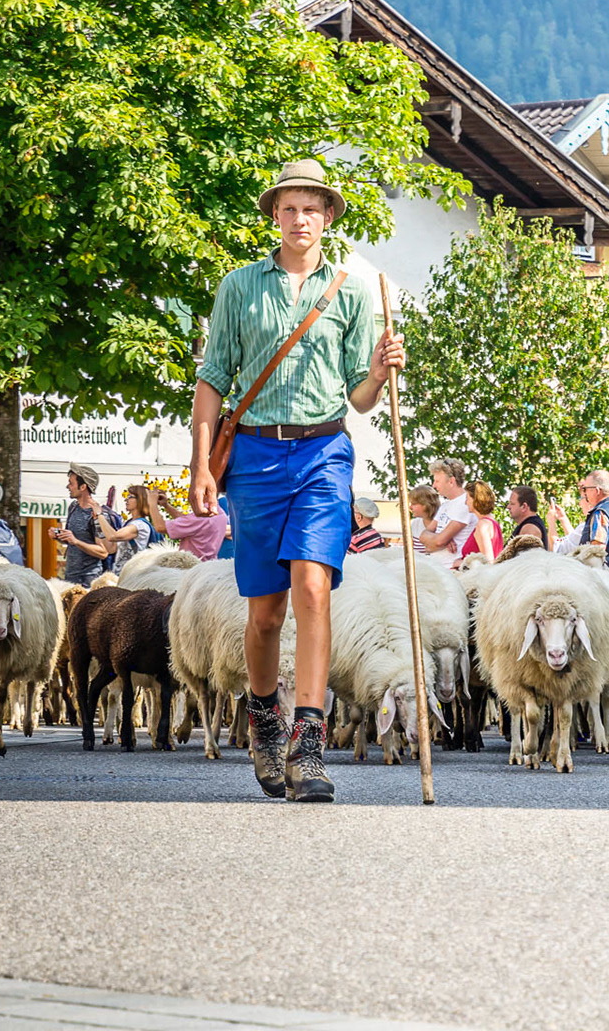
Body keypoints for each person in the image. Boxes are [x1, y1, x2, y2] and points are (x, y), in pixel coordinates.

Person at [186, 158, 403, 803]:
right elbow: (212, 381)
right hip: (252, 457)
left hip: (323, 452)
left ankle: (309, 741)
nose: (300, 217)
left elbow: (360, 399)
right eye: (289, 207)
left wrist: (383, 370)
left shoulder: (351, 292)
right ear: (274, 215)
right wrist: (201, 464)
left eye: (312, 207)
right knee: (264, 612)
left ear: (328, 216)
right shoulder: (239, 288)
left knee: (313, 587)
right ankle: (262, 716)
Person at [550, 469, 609, 566]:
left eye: (585, 489)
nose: (585, 493)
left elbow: (596, 553)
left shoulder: (600, 513)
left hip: (607, 577)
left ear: (597, 490)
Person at [50, 465, 109, 585]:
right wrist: (60, 537)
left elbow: (103, 552)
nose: (68, 486)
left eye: (71, 483)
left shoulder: (97, 514)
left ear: (83, 487)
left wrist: (75, 541)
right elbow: (73, 540)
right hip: (70, 576)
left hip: (89, 579)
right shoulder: (73, 507)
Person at [143, 486, 228, 562]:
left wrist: (152, 504)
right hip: (207, 566)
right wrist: (166, 505)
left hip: (192, 567)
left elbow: (160, 527)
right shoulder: (220, 513)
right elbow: (187, 521)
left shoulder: (203, 516)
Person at [417, 458, 474, 558]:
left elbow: (439, 542)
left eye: (437, 481)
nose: (434, 485)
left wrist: (438, 541)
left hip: (454, 570)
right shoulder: (445, 506)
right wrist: (440, 540)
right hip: (438, 567)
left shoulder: (465, 504)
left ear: (451, 481)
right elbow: (422, 536)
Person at [93, 486, 154, 569]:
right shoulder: (129, 523)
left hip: (133, 575)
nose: (126, 500)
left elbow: (112, 536)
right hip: (121, 574)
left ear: (140, 500)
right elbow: (111, 549)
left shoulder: (140, 525)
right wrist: (97, 521)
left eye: (130, 497)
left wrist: (99, 515)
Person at [457, 480, 503, 567]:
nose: (465, 502)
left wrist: (460, 563)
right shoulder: (493, 523)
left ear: (475, 499)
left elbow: (488, 562)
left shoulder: (483, 525)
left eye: (467, 498)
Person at [408, 484, 441, 553]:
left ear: (426, 504)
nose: (410, 507)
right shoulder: (414, 524)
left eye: (414, 504)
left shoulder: (444, 523)